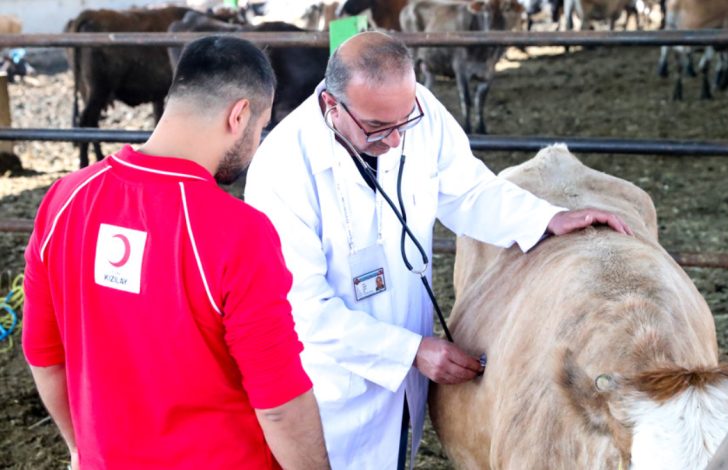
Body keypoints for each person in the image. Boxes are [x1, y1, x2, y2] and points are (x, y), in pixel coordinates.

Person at [244, 31, 633, 469]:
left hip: (405, 371)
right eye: (377, 127)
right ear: (333, 106)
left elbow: (469, 191)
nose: (395, 140)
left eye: (404, 121)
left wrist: (544, 218)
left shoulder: (421, 112)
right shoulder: (282, 169)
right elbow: (303, 308)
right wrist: (410, 351)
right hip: (333, 388)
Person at [22, 36, 329, 470]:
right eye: (261, 126)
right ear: (239, 115)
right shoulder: (239, 232)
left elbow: (43, 353)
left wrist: (79, 449)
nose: (257, 142)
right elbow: (279, 403)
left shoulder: (64, 199)